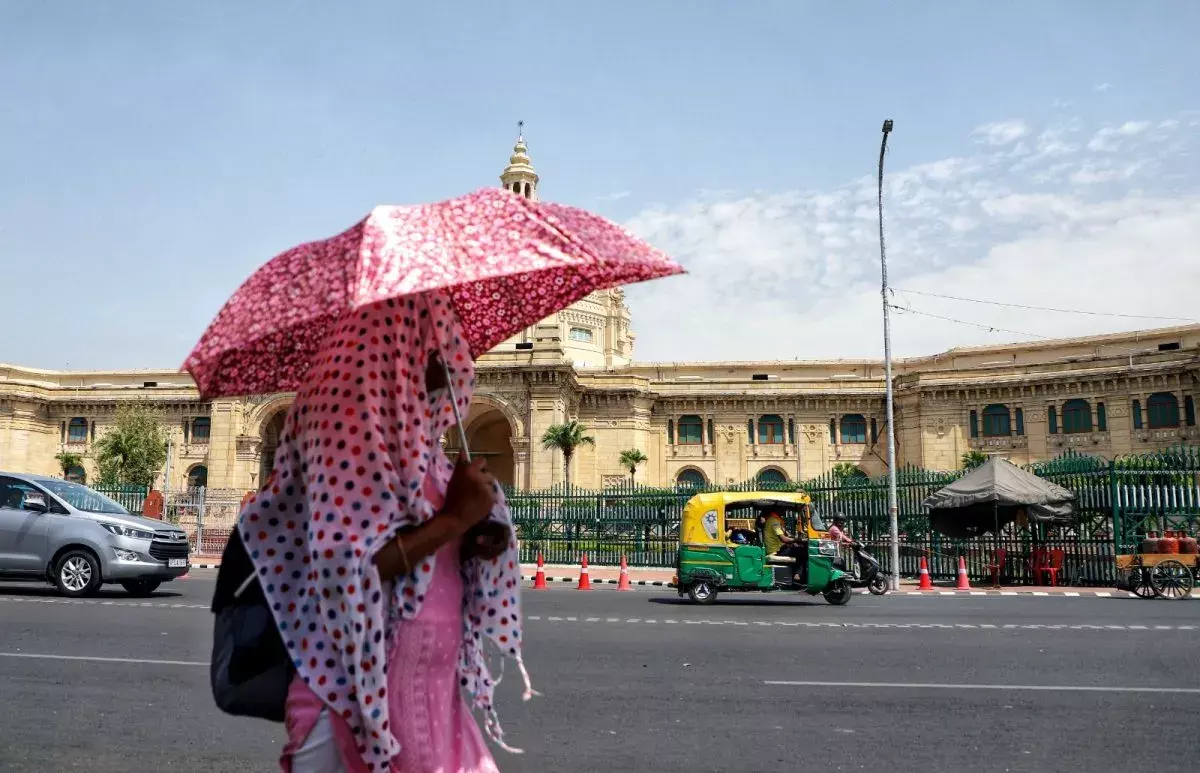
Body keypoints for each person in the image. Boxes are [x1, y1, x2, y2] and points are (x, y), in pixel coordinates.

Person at [239, 294, 534, 773]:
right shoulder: (347, 444)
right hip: (349, 697)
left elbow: (431, 552)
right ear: (391, 353)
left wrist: (474, 536)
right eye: (431, 342)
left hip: (433, 692)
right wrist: (453, 520)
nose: (451, 356)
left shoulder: (427, 454)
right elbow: (346, 570)